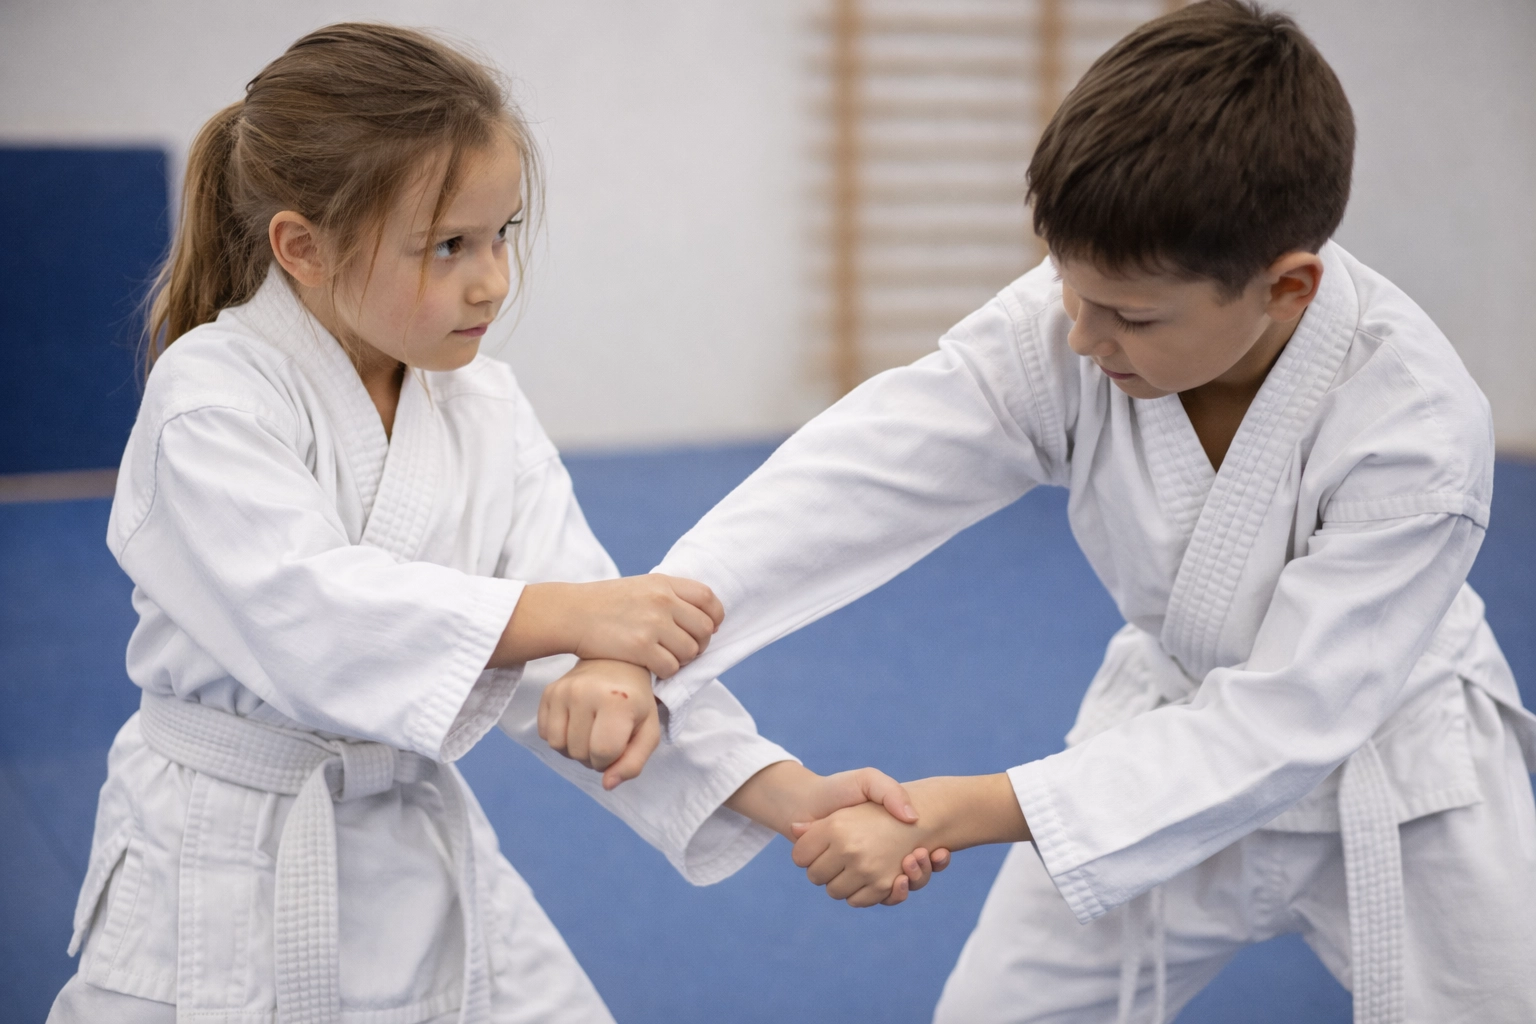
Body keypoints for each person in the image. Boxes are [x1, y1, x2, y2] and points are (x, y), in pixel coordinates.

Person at [563, 2, 1536, 1022]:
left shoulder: (1415, 425)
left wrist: (964, 808)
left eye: (1130, 316)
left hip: (1404, 777)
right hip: (1155, 742)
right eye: (1070, 289)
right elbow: (855, 475)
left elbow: (1290, 718)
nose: (1081, 337)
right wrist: (645, 631)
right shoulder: (1066, 322)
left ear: (1287, 287)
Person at [48, 24, 933, 1024]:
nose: (493, 280)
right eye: (448, 247)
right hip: (223, 870)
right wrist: (570, 616)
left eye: (501, 234)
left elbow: (586, 653)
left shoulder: (482, 406)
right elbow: (311, 613)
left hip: (414, 848)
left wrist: (776, 788)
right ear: (302, 248)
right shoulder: (211, 397)